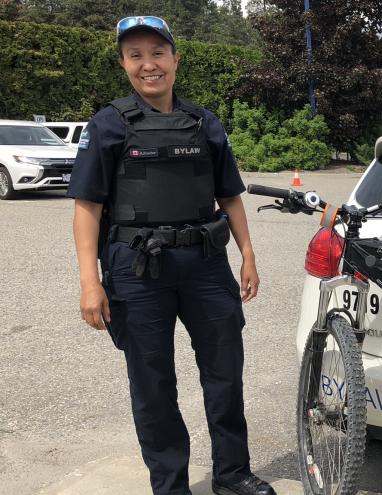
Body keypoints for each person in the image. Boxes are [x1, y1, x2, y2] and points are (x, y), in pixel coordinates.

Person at [69, 16, 275, 495]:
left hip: (205, 263)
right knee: (153, 384)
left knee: (224, 372)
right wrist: (89, 281)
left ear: (175, 59)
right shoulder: (107, 125)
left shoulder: (205, 122)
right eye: (136, 55)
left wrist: (247, 254)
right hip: (136, 269)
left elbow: (230, 196)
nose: (149, 65)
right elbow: (87, 208)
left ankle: (232, 474)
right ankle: (170, 486)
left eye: (158, 53)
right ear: (124, 64)